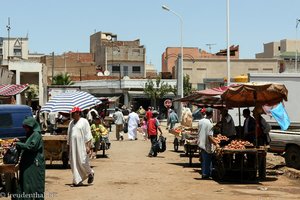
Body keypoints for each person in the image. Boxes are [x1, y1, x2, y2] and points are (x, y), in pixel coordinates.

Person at [14, 116, 45, 199]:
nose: (26, 129)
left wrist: (19, 144)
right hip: (29, 163)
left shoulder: (36, 135)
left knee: (34, 184)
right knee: (26, 183)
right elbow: (28, 142)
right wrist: (20, 142)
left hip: (34, 164)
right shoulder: (31, 134)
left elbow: (31, 146)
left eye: (27, 127)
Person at [67, 106, 94, 186]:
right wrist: (68, 147)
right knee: (74, 162)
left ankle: (90, 173)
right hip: (73, 147)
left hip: (81, 146)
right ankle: (77, 180)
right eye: (72, 113)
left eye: (74, 113)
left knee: (83, 161)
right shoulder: (71, 123)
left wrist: (88, 146)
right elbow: (69, 135)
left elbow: (88, 135)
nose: (72, 114)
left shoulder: (84, 121)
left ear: (78, 113)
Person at [197, 107, 219, 179]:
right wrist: (216, 143)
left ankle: (206, 173)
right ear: (212, 114)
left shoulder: (200, 121)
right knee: (207, 160)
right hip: (206, 144)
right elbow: (209, 136)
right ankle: (206, 174)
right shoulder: (209, 124)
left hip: (201, 143)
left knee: (204, 159)